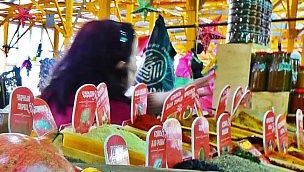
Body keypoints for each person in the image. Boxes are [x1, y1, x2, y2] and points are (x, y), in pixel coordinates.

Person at [42, 19, 210, 127]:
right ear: (120, 65)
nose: (136, 66)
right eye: (134, 58)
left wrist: (168, 99)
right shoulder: (121, 118)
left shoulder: (49, 97)